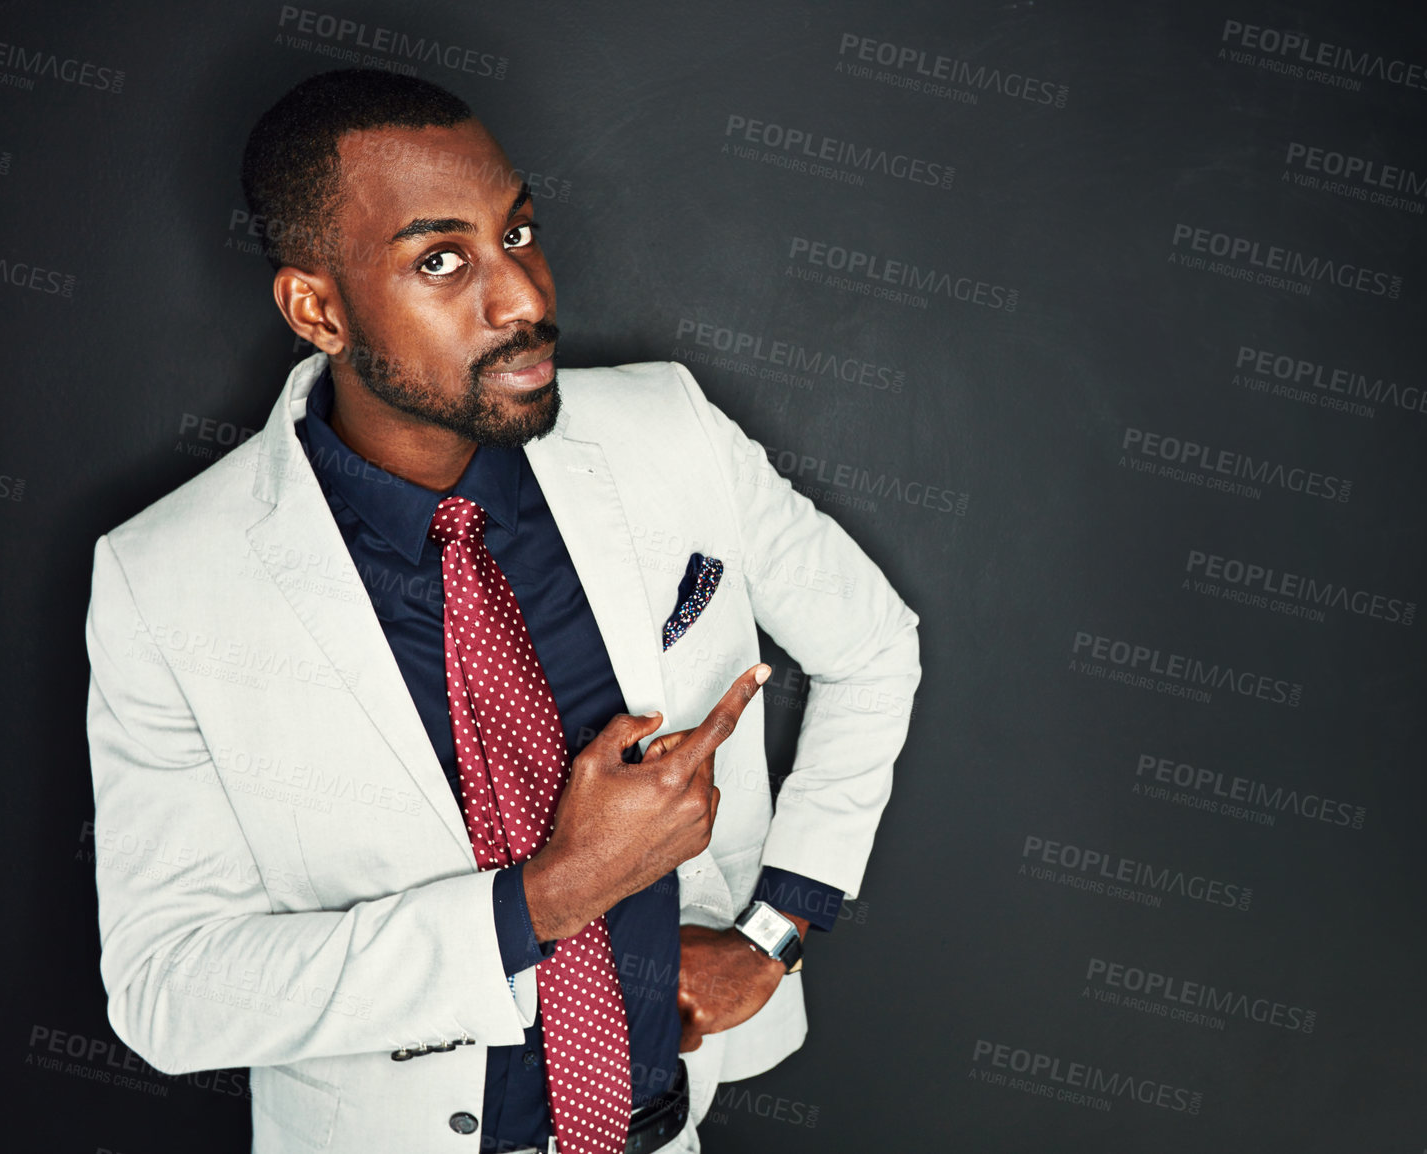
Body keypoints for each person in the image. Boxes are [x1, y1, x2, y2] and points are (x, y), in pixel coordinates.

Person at [84, 68, 919, 1154]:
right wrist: (548, 894)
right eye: (442, 260)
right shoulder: (168, 579)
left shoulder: (667, 429)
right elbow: (170, 989)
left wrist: (776, 927)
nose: (524, 296)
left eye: (518, 230)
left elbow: (875, 647)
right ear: (317, 308)